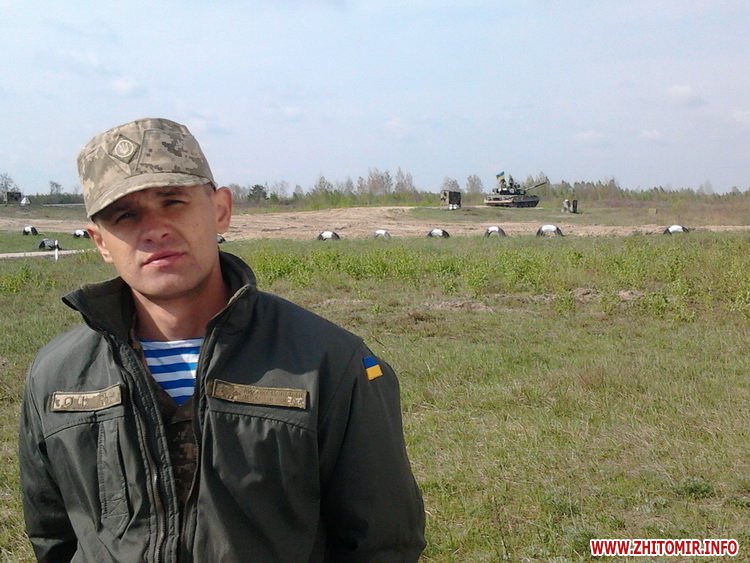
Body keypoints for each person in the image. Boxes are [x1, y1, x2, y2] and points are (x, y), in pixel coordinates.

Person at [18, 117, 426, 562]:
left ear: (220, 210)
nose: (155, 229)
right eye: (125, 215)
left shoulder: (329, 363)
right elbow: (54, 538)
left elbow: (382, 543)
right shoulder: (57, 377)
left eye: (173, 202)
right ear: (99, 241)